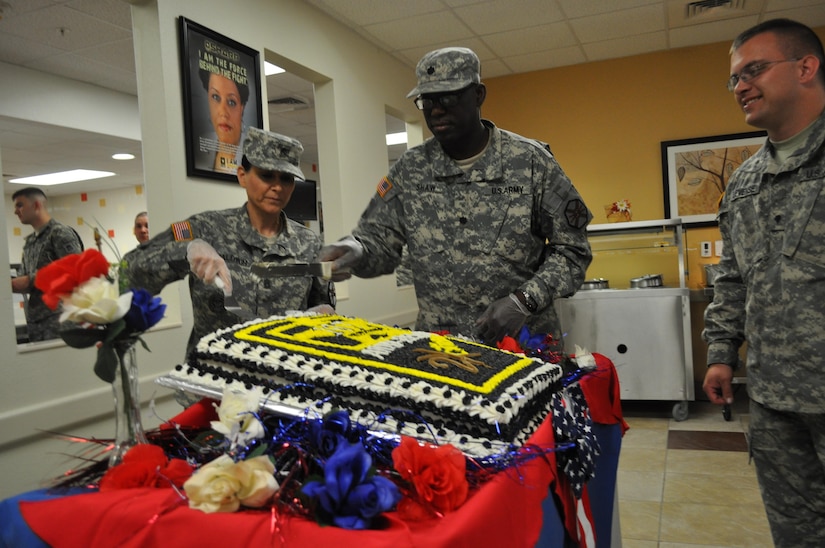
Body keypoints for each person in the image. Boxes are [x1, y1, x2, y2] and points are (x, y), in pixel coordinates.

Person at [318, 47, 592, 344]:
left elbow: (573, 250)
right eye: (427, 100)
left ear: (478, 95)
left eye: (448, 97)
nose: (436, 110)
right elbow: (379, 243)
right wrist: (356, 250)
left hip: (521, 345)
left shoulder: (530, 162)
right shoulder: (411, 169)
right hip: (441, 349)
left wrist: (524, 300)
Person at [702, 18, 825, 547]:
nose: (741, 86)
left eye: (754, 70)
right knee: (796, 532)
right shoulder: (746, 181)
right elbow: (733, 276)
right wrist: (721, 351)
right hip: (774, 395)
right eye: (734, 78)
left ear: (805, 67)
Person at [125, 127, 334, 356]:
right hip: (215, 379)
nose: (277, 187)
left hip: (282, 379)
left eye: (286, 179)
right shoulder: (204, 228)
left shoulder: (310, 244)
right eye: (266, 175)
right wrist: (186, 250)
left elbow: (323, 305)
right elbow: (130, 270)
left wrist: (322, 316)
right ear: (242, 175)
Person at [10, 187, 84, 342]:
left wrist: (30, 280)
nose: (15, 211)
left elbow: (74, 271)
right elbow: (26, 278)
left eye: (20, 205)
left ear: (36, 205)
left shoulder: (60, 233)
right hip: (37, 322)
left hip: (61, 320)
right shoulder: (30, 241)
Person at [195, 70, 249, 174]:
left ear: (242, 107)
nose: (223, 112)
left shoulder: (253, 154)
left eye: (231, 102)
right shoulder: (199, 145)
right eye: (215, 97)